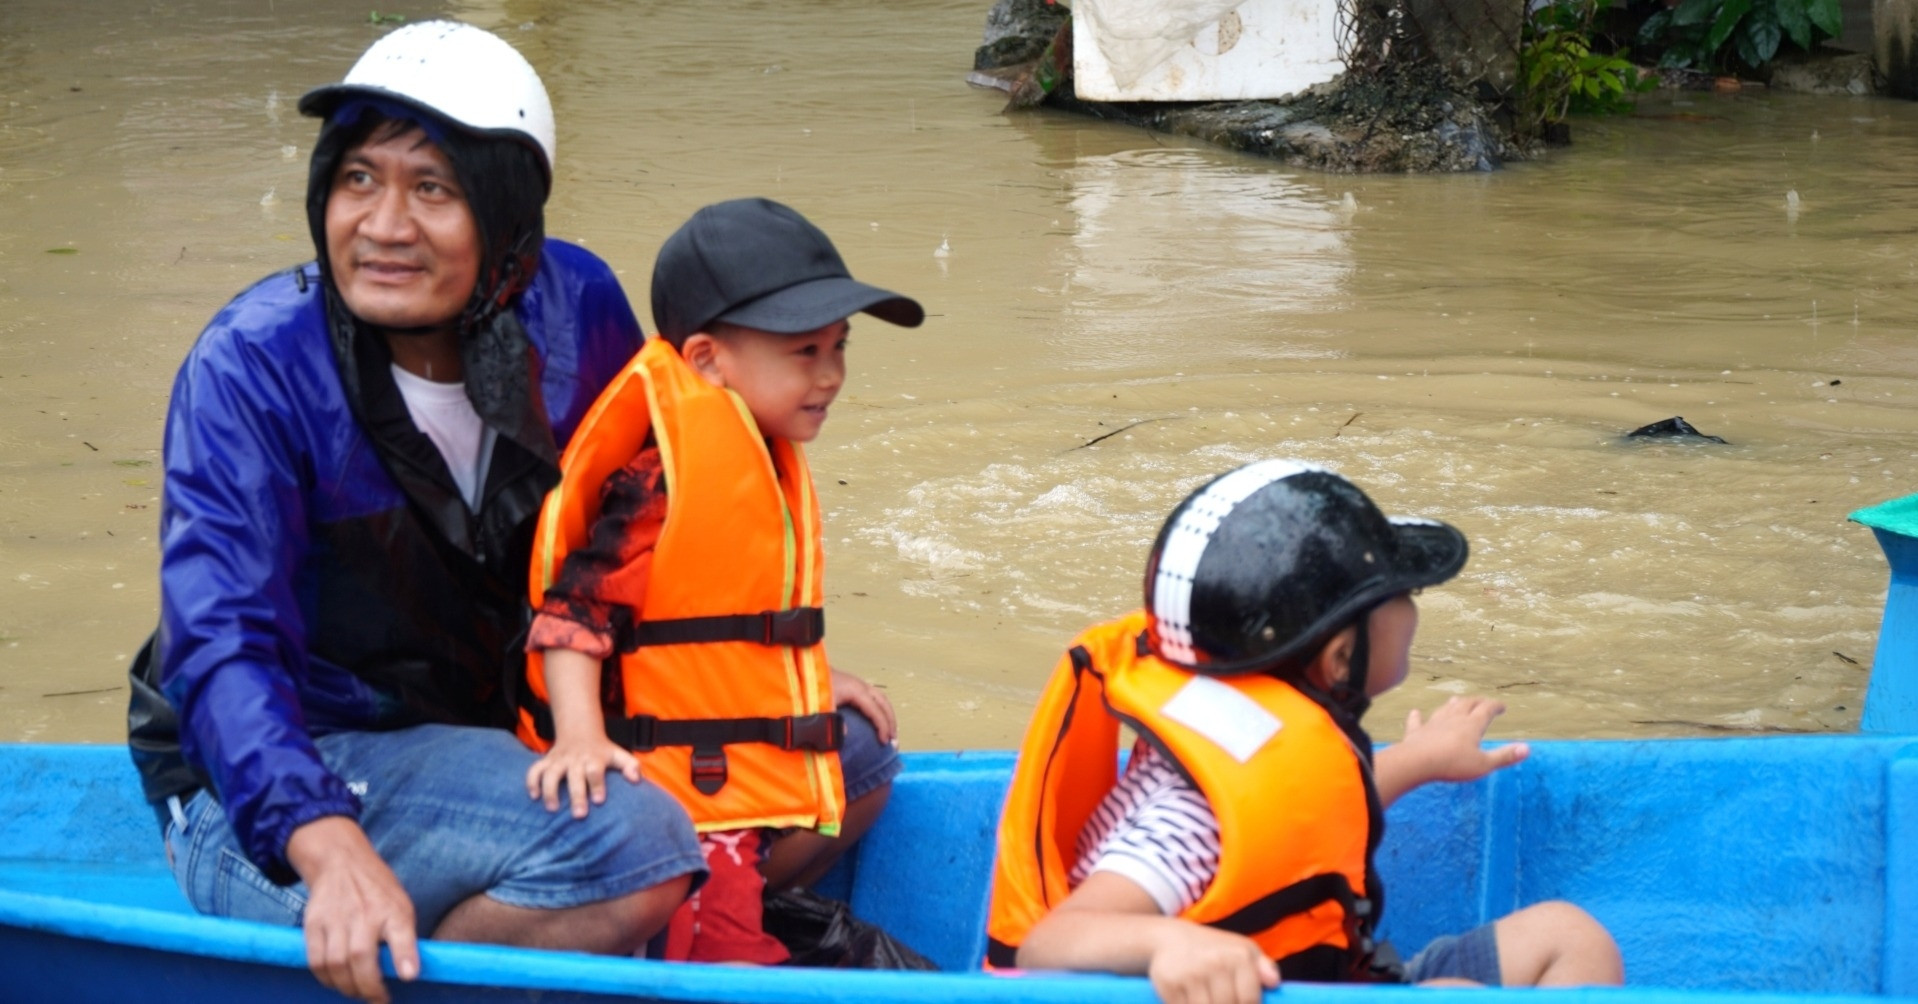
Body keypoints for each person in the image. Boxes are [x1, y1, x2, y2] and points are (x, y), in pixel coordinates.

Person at [123, 21, 707, 1004]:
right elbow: (223, 641)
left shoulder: (580, 309)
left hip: (487, 729)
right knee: (639, 844)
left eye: (432, 188)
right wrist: (329, 845)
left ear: (508, 216)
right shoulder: (254, 365)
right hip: (284, 766)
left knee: (850, 760)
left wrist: (766, 662)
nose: (384, 225)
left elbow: (637, 523)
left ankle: (498, 931)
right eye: (358, 179)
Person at [987, 460, 1624, 1003]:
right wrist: (1168, 944)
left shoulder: (1260, 740)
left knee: (1570, 938)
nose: (1412, 603)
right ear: (1341, 659)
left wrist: (1414, 761)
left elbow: (1299, 817)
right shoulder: (1185, 816)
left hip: (1331, 980)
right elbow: (1051, 944)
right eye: (1398, 594)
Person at [512, 197, 922, 964]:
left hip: (715, 742)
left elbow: (717, 623)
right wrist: (579, 738)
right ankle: (712, 928)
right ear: (705, 361)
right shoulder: (661, 481)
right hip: (668, 771)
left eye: (840, 346)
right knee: (735, 957)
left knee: (866, 756)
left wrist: (807, 680)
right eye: (805, 352)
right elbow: (574, 613)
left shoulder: (754, 448)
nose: (831, 374)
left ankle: (745, 907)